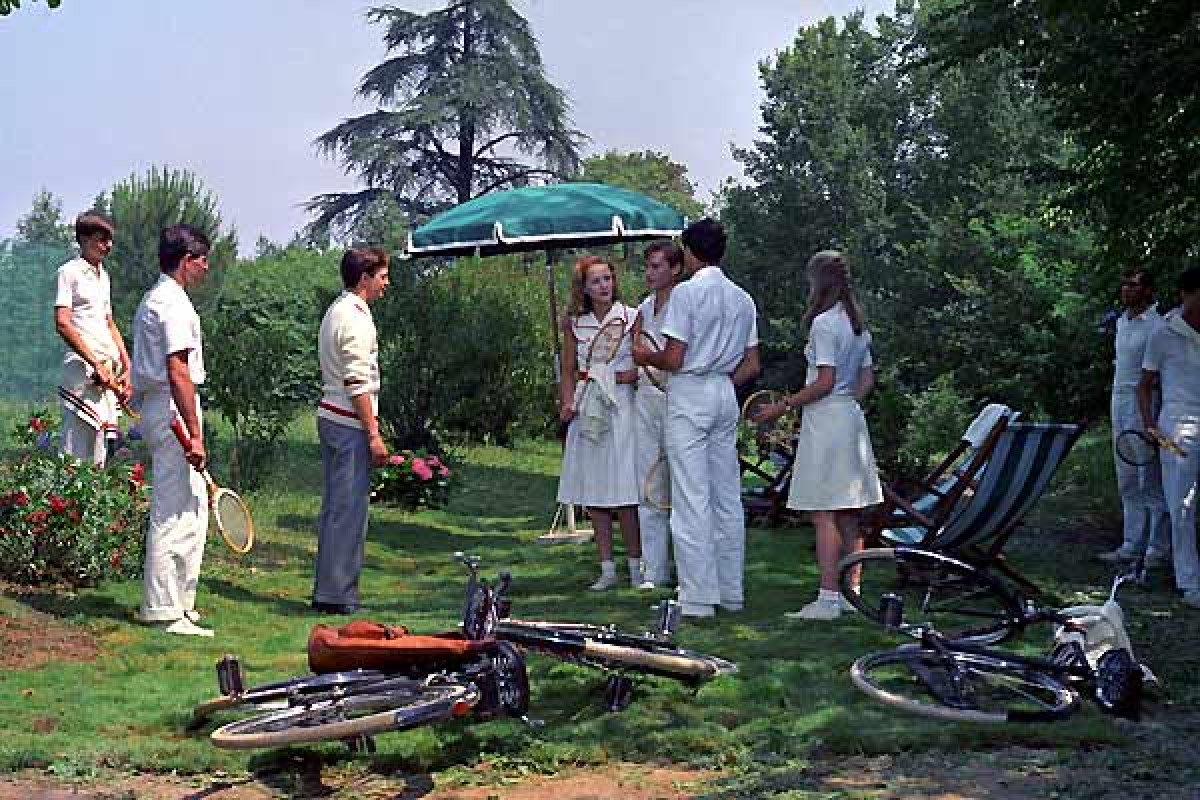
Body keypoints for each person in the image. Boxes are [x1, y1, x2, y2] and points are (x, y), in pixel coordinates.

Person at [633, 219, 760, 618]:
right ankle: (731, 591)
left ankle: (699, 598)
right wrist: (719, 381)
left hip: (690, 391)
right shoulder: (743, 298)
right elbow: (752, 363)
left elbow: (673, 358)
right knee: (726, 494)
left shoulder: (687, 294)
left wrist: (644, 356)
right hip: (723, 391)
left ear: (689, 252)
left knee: (691, 497)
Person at [754, 250, 882, 621]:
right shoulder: (858, 325)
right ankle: (850, 593)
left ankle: (828, 598)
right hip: (850, 419)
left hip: (827, 422)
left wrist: (783, 406)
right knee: (849, 513)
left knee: (824, 512)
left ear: (818, 282)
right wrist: (847, 404)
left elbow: (823, 381)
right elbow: (866, 380)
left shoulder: (825, 324)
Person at [131, 224, 213, 636]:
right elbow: (178, 371)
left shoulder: (157, 299)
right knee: (172, 508)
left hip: (162, 406)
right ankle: (162, 609)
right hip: (171, 408)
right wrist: (194, 433)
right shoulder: (172, 304)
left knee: (193, 505)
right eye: (203, 260)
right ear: (186, 261)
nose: (206, 268)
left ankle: (181, 601)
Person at [557, 255, 643, 590]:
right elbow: (567, 369)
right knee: (594, 490)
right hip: (586, 401)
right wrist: (567, 402)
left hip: (620, 404)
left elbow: (643, 363)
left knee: (625, 489)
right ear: (584, 288)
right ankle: (607, 568)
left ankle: (636, 568)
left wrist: (624, 376)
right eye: (596, 281)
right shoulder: (574, 323)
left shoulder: (631, 316)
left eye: (607, 278)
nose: (604, 286)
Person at [312, 248, 390, 615]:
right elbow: (357, 380)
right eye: (382, 277)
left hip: (334, 415)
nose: (385, 284)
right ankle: (337, 594)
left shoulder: (338, 310)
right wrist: (373, 433)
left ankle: (330, 587)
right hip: (347, 421)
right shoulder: (354, 318)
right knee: (347, 510)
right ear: (365, 278)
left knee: (336, 508)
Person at [1098, 269, 1170, 566]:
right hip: (1119, 400)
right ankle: (1131, 544)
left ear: (1148, 290)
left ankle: (1157, 549)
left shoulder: (1158, 324)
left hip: (1145, 401)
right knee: (1126, 475)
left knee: (1148, 477)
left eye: (1134, 284)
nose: (1127, 289)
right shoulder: (1120, 322)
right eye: (1124, 284)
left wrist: (1153, 415)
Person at [1138, 266, 1200, 608]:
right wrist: (1150, 425)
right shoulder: (1162, 333)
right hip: (1177, 422)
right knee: (1183, 502)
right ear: (1186, 294)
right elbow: (1144, 386)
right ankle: (1189, 581)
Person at [54, 211, 132, 466]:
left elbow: (109, 322)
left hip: (108, 373)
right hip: (82, 371)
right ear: (84, 239)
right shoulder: (69, 272)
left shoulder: (104, 276)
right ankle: (63, 504)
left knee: (101, 448)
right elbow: (63, 323)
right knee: (74, 448)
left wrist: (127, 365)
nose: (108, 246)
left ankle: (94, 502)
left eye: (109, 240)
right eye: (101, 239)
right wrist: (93, 363)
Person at [632, 241, 684, 589]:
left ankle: (689, 569)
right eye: (647, 267)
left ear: (675, 269)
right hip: (646, 400)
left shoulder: (685, 304)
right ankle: (655, 570)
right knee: (648, 484)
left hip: (679, 399)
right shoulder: (643, 308)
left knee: (683, 485)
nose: (650, 274)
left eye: (657, 266)